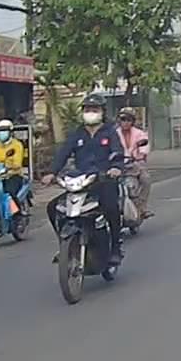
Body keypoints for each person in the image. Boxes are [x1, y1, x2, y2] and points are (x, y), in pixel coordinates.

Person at [43, 93, 125, 264]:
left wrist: (116, 168)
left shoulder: (110, 132)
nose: (90, 112)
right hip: (81, 182)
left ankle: (116, 247)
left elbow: (117, 153)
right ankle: (65, 245)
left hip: (104, 181)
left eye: (94, 109)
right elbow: (63, 153)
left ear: (102, 112)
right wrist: (52, 172)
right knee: (53, 208)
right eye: (87, 109)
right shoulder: (77, 133)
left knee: (111, 207)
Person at [115, 107, 153, 219]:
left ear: (132, 121)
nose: (126, 122)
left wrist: (139, 156)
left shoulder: (140, 133)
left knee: (146, 179)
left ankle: (142, 207)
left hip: (135, 163)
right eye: (123, 119)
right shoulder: (113, 134)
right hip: (117, 165)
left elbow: (144, 148)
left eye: (129, 120)